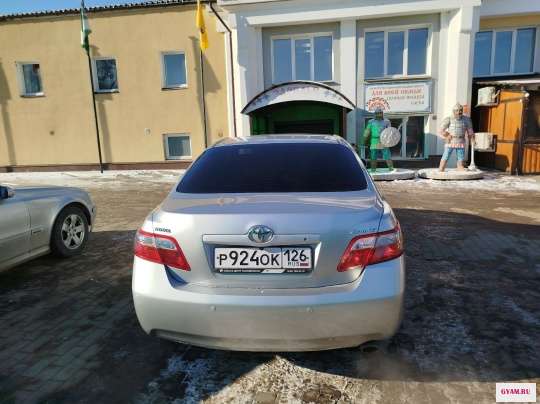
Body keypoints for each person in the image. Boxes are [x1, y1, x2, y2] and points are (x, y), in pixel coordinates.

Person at [439, 103, 475, 172]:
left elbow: (470, 130)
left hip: (461, 140)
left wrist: (471, 138)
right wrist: (447, 135)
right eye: (457, 110)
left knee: (460, 155)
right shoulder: (449, 119)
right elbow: (441, 130)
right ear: (453, 111)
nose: (459, 112)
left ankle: (460, 167)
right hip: (451, 140)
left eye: (460, 110)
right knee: (446, 155)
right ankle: (442, 167)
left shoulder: (467, 119)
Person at [363, 107, 394, 172]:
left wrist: (389, 140)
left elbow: (389, 131)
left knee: (387, 155)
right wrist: (364, 140)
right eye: (377, 113)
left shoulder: (387, 121)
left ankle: (391, 168)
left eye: (380, 113)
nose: (379, 114)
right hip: (374, 140)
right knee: (373, 156)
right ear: (375, 114)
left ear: (382, 113)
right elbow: (367, 132)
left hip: (384, 140)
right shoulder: (371, 122)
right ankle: (373, 169)